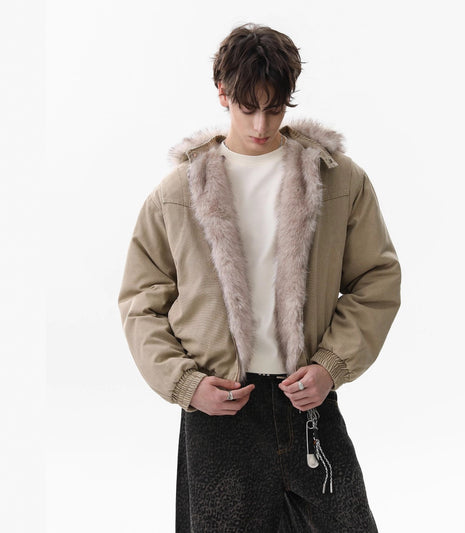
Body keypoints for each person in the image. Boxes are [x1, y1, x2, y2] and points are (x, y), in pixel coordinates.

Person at [118, 23, 401, 532]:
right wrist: (186, 384)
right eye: (247, 107)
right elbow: (141, 302)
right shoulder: (177, 194)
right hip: (219, 408)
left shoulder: (337, 179)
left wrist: (330, 366)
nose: (260, 124)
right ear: (222, 92)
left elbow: (376, 279)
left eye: (274, 108)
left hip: (307, 398)